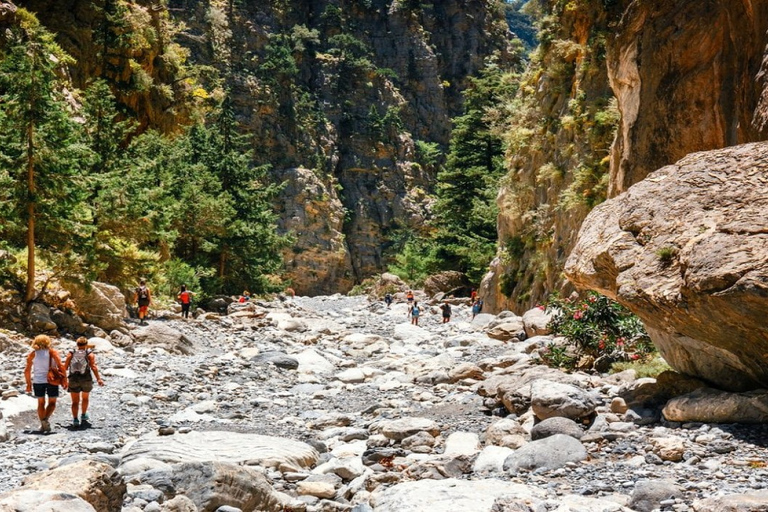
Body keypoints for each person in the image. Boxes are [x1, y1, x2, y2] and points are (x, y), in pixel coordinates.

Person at [24, 335, 68, 432]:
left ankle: (43, 424)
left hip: (38, 381)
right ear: (48, 342)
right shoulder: (53, 352)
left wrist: (28, 383)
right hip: (52, 380)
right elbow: (61, 366)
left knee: (41, 403)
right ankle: (45, 420)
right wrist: (65, 380)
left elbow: (27, 370)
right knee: (52, 402)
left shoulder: (33, 354)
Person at [64, 337, 104, 428]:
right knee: (85, 398)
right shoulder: (89, 354)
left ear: (77, 344)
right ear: (86, 344)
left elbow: (65, 367)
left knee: (75, 401)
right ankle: (83, 415)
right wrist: (98, 379)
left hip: (73, 378)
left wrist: (63, 379)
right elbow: (93, 367)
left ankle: (75, 419)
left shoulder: (71, 353)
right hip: (86, 378)